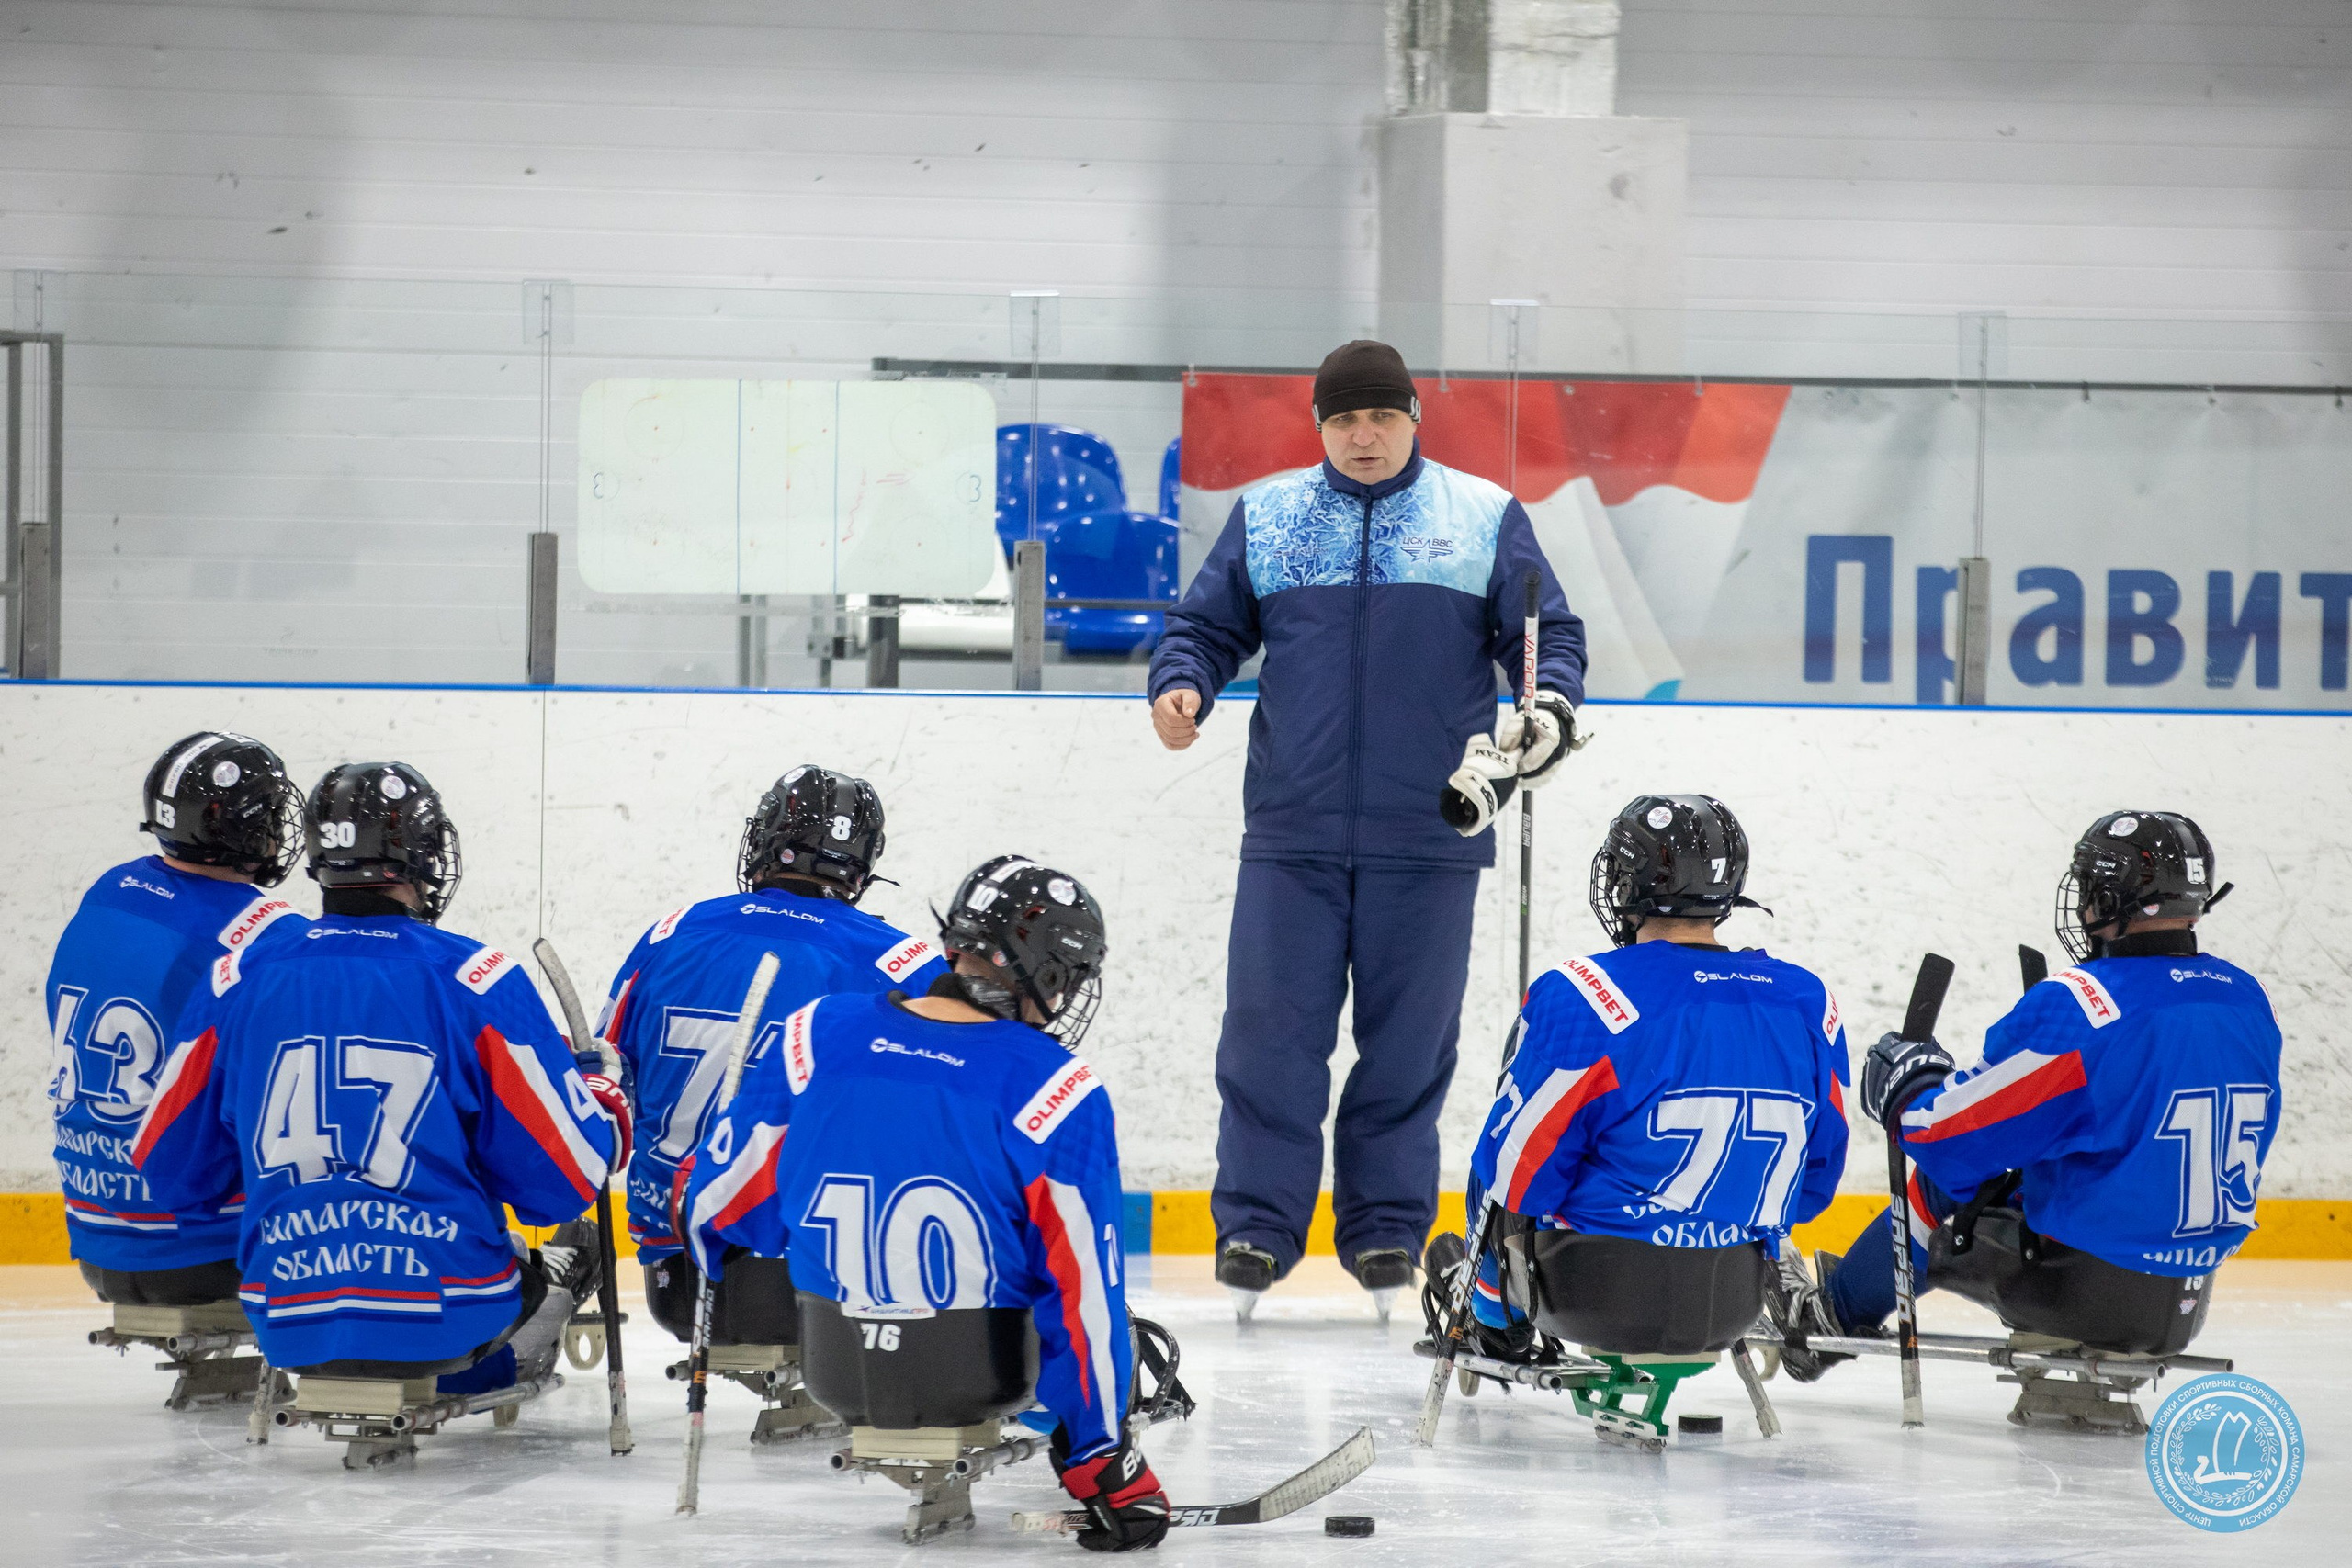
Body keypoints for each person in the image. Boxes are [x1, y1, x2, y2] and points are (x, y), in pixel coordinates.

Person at [1147, 337, 1589, 1307]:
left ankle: (1386, 1231)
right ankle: (1259, 1230)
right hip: (1291, 833)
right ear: (1320, 427)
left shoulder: (1480, 516)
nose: (1363, 436)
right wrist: (1181, 682)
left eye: (1381, 416)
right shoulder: (1269, 516)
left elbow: (1545, 631)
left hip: (1432, 833)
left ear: (1412, 421)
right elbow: (1205, 626)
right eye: (1344, 419)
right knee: (1268, 1036)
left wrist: (1545, 702)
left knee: (1408, 1045)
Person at [681, 856, 1167, 1552]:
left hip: (835, 1370)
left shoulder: (814, 1031)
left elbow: (718, 1207)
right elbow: (1082, 1289)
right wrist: (1103, 1465)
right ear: (1046, 972)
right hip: (977, 1374)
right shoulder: (1057, 1086)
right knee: (1103, 1308)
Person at [131, 761, 628, 1397]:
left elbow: (170, 1169)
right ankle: (498, 1354)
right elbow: (562, 1183)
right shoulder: (477, 978)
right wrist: (602, 1094)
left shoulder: (238, 974)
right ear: (422, 857)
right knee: (533, 1262)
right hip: (445, 1312)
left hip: (285, 1317)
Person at [1769, 810, 2281, 1378]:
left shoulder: (2087, 1003)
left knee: (1941, 1188)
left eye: (2092, 888)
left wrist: (1909, 1088)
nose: (2085, 905)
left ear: (2113, 899)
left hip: (2085, 1285)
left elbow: (1949, 1138)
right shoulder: (2245, 997)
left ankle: (1826, 1321)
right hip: (2186, 1293)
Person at [1430, 795, 1849, 1355]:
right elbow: (1817, 1176)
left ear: (1628, 886)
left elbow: (1519, 1173)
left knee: (1505, 1137)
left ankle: (1489, 1309)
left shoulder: (1584, 992)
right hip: (1733, 1300)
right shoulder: (1807, 1000)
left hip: (1593, 1292)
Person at [597, 763, 948, 1346]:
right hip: (829, 1287)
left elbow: (605, 1079)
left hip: (678, 1276)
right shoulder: (904, 965)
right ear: (862, 863)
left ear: (764, 838)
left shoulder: (672, 933)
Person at [46, 732, 308, 1309]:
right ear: (244, 830)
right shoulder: (270, 933)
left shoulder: (109, 890)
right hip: (210, 1248)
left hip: (97, 1238)